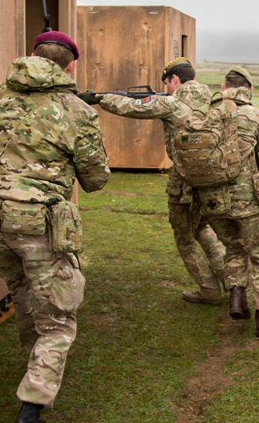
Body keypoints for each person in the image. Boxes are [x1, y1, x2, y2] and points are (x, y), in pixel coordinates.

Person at [0, 30, 110, 423]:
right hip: (36, 222)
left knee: (25, 293)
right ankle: (31, 418)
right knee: (59, 321)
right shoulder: (76, 110)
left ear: (32, 57)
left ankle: (36, 369)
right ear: (72, 66)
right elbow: (96, 179)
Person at [87, 58, 227, 306]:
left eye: (167, 82)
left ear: (174, 80)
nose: (166, 87)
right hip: (214, 183)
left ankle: (209, 290)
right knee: (204, 229)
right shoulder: (216, 102)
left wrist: (99, 98)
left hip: (184, 184)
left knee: (184, 237)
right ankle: (233, 284)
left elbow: (131, 107)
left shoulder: (171, 103)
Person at [197, 67, 259, 337]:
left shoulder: (204, 113)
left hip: (211, 199)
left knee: (232, 247)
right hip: (247, 201)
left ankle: (236, 296)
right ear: (249, 89)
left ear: (223, 87)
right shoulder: (254, 115)